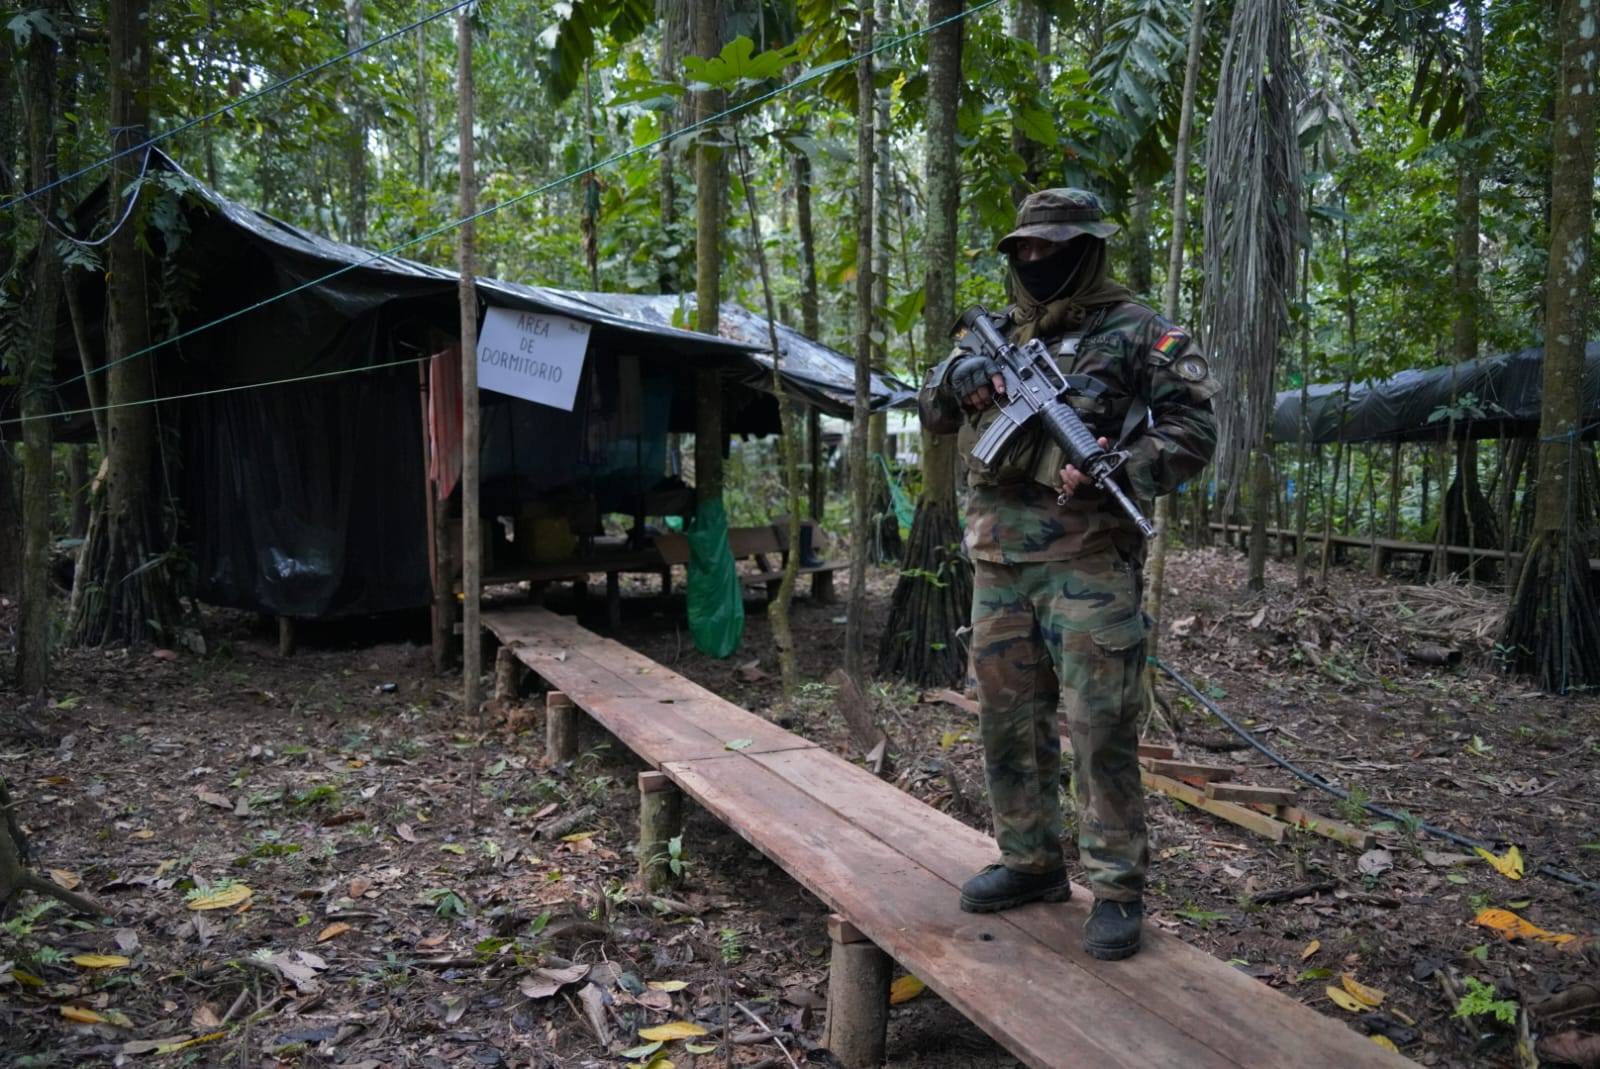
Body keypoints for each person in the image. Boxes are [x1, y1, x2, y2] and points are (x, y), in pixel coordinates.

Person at [918, 188, 1218, 961]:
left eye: (1050, 249)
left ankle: (1116, 888)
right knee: (1007, 721)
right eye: (1024, 248)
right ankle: (1030, 860)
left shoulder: (1141, 330)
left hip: (1088, 561)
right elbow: (933, 411)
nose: (1034, 260)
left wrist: (1127, 463)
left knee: (1100, 725)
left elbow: (1194, 427)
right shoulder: (992, 332)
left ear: (1086, 249)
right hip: (999, 562)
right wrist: (958, 377)